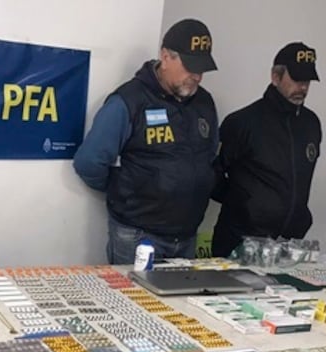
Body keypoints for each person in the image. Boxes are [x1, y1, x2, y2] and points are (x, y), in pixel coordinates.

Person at [73, 18, 220, 264]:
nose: (196, 76)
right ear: (165, 57)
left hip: (186, 237)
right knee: (131, 292)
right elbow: (89, 162)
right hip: (138, 237)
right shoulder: (129, 100)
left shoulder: (204, 102)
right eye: (190, 67)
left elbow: (210, 156)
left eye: (201, 69)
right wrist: (126, 192)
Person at [211, 42, 322, 257]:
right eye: (297, 80)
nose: (303, 88)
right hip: (239, 240)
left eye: (307, 81)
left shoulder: (311, 124)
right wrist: (245, 204)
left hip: (288, 245)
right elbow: (211, 175)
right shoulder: (243, 122)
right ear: (275, 77)